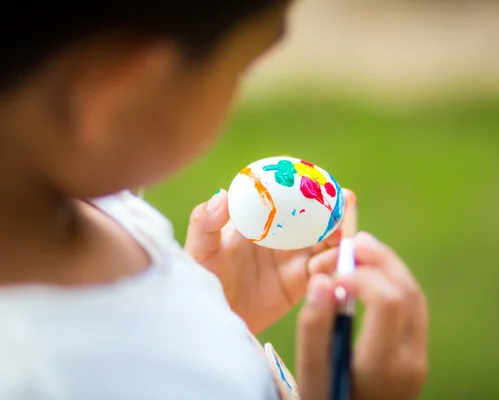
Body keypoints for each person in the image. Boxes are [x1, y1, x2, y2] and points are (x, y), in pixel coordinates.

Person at [0, 1, 428, 399]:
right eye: (242, 69)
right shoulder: (56, 378)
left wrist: (206, 318)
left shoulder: (93, 199)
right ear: (115, 96)